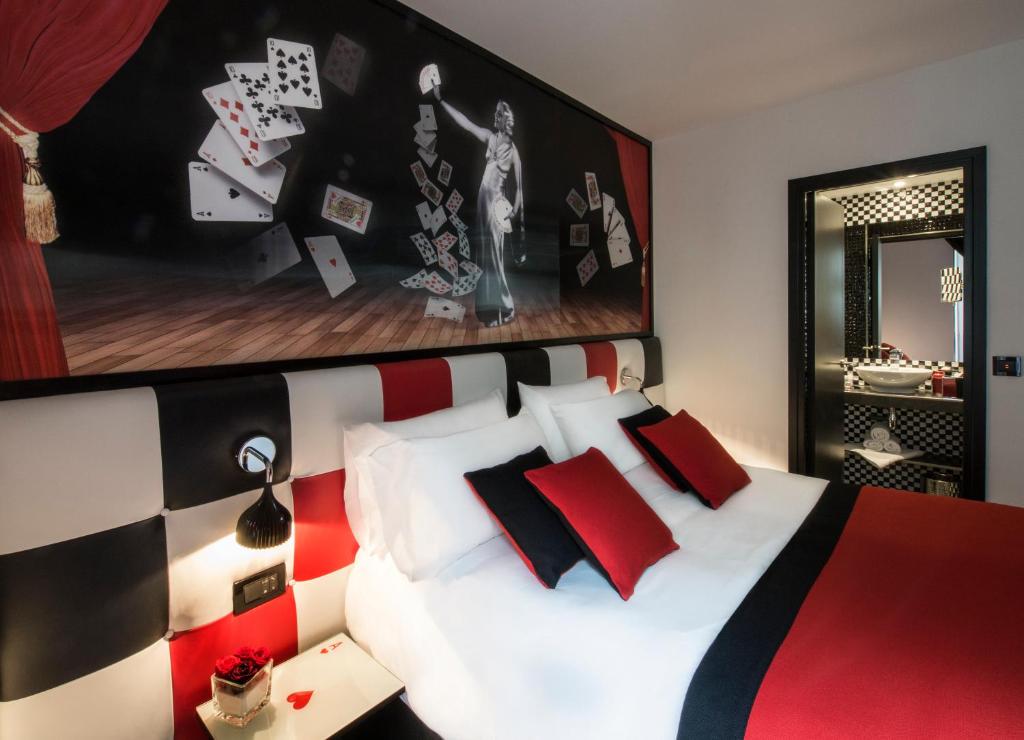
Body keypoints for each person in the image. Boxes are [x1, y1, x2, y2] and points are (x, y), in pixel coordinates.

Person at [434, 85, 524, 326]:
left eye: (499, 114)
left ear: (507, 119)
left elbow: (520, 189)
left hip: (496, 207)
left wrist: (514, 211)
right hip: (483, 203)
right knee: (485, 258)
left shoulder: (513, 151)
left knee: (494, 258)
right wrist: (441, 100)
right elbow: (465, 123)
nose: (494, 116)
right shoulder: (489, 137)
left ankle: (504, 308)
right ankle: (487, 310)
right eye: (494, 112)